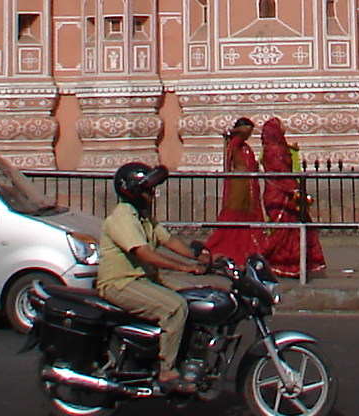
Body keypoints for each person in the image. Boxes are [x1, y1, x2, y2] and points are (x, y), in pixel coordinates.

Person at [95, 162, 206, 391]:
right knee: (175, 307)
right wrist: (186, 268)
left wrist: (200, 257)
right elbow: (146, 254)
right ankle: (166, 371)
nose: (152, 195)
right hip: (120, 283)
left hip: (143, 278)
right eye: (147, 190)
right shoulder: (122, 218)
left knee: (196, 296)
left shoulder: (142, 217)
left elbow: (168, 240)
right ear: (133, 192)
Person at [256, 116, 323, 275]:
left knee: (289, 231)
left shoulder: (271, 148)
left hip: (275, 193)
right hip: (282, 194)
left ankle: (289, 264)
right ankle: (265, 259)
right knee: (283, 231)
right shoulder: (276, 150)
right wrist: (295, 191)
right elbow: (282, 174)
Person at [205, 117, 264, 264]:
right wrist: (236, 131)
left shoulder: (244, 146)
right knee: (234, 216)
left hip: (249, 186)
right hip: (239, 186)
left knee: (248, 218)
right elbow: (243, 131)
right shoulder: (235, 144)